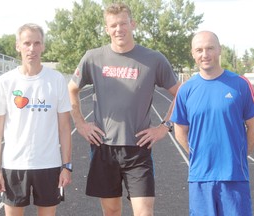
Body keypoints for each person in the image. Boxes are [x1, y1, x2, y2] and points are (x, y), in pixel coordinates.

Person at [68, 2, 180, 216]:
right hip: (103, 147)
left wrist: (164, 126)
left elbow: (181, 94)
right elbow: (72, 89)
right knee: (111, 211)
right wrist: (80, 123)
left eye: (123, 23)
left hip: (138, 147)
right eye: (113, 25)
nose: (118, 29)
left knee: (144, 212)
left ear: (132, 24)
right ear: (106, 29)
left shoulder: (154, 59)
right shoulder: (93, 57)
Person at [171, 31, 254, 216]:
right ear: (193, 54)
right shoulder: (186, 89)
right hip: (200, 176)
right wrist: (196, 154)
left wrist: (241, 154)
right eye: (199, 50)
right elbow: (180, 129)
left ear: (219, 50)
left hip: (234, 175)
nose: (204, 54)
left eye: (210, 48)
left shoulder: (240, 84)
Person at [0, 23, 72, 216]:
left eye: (37, 43)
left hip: (49, 164)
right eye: (27, 43)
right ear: (18, 46)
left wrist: (67, 166)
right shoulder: (6, 81)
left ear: (43, 46)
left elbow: (65, 128)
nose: (32, 48)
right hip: (13, 166)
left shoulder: (56, 79)